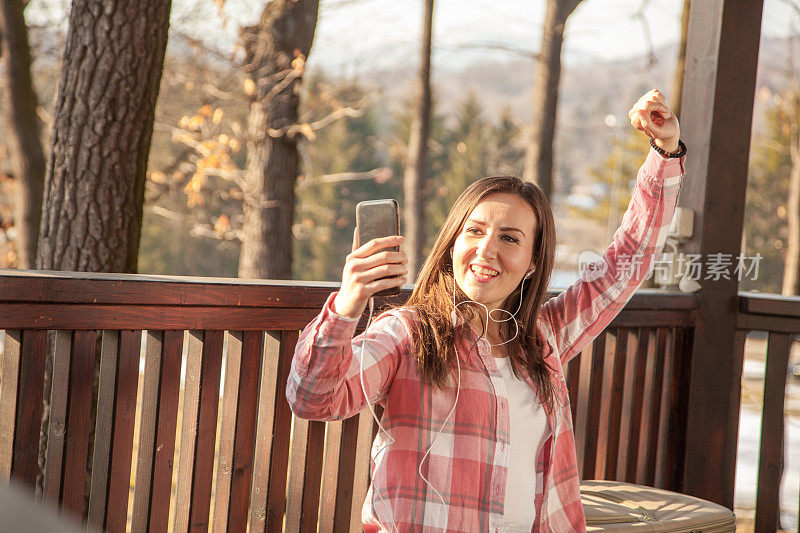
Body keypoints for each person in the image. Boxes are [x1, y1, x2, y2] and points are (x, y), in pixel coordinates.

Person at [286, 89, 686, 532]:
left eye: (510, 238)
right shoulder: (407, 332)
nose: (486, 250)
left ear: (534, 261)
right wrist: (347, 303)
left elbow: (627, 261)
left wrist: (664, 153)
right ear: (452, 242)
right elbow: (312, 399)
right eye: (474, 231)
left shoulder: (545, 335)